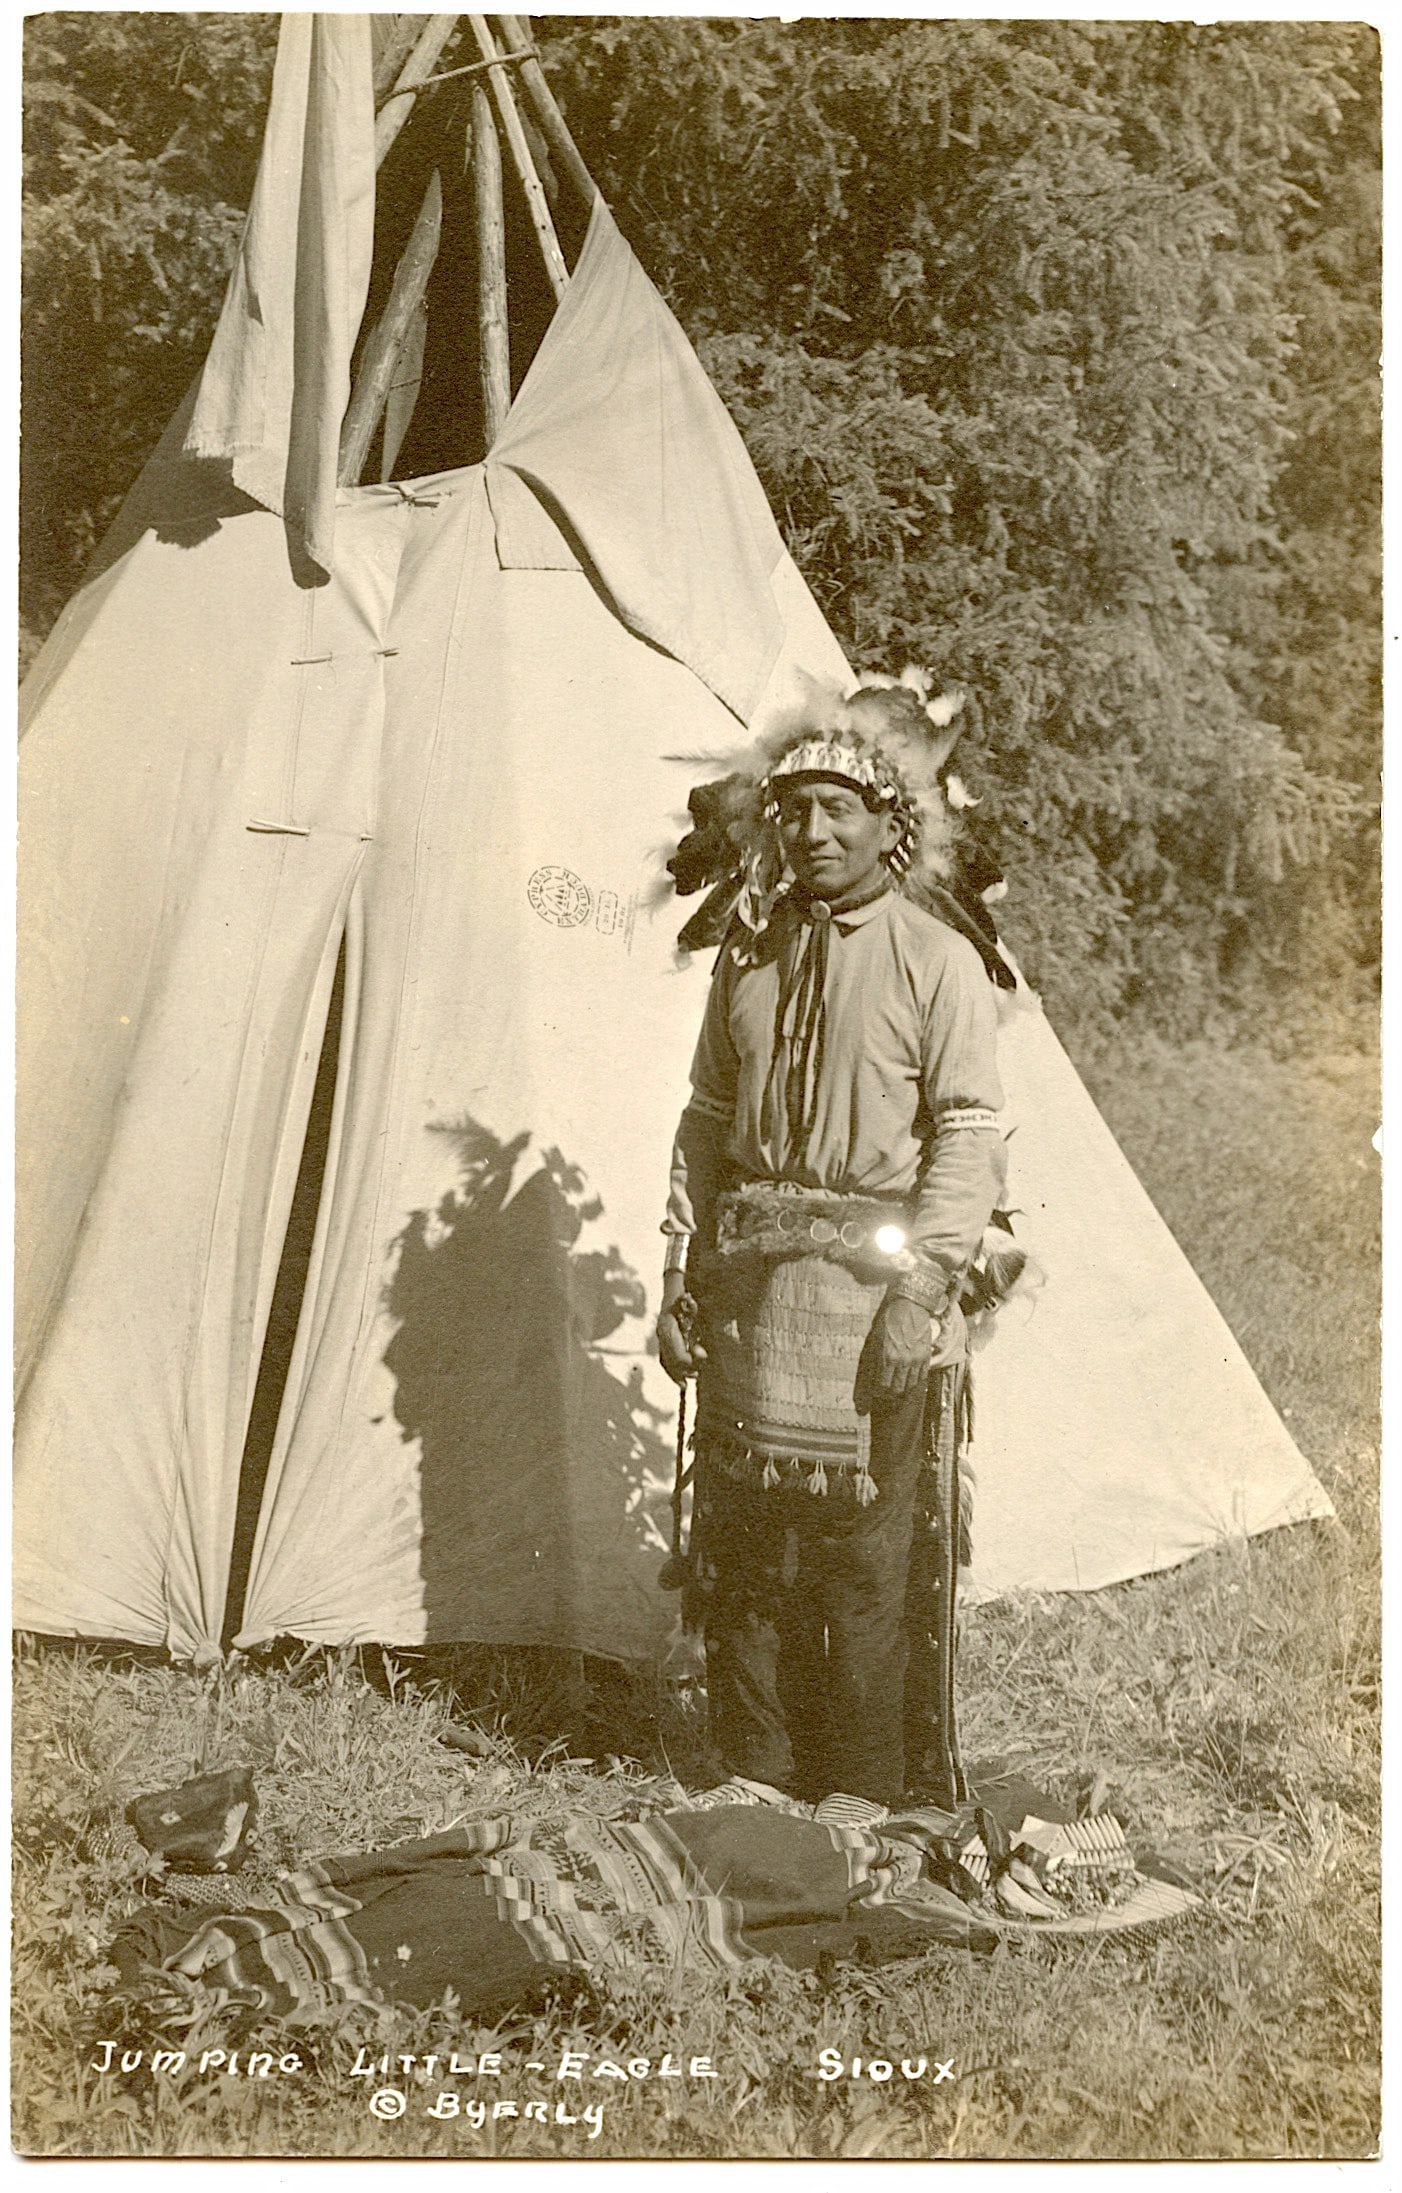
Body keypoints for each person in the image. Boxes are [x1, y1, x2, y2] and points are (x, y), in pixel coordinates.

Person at [657, 702, 1006, 1808]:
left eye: (837, 811)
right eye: (794, 812)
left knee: (862, 1557)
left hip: (877, 1298)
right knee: (748, 1547)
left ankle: (861, 1793)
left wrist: (923, 1293)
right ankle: (755, 1779)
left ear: (887, 827)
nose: (812, 833)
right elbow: (707, 1121)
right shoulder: (749, 959)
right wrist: (679, 1274)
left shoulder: (935, 960)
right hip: (752, 1295)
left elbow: (965, 1132)